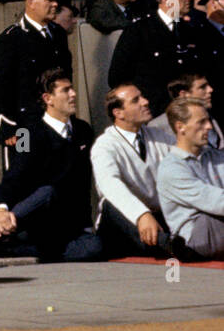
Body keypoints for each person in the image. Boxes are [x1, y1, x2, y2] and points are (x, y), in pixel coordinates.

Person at [0, 69, 104, 267]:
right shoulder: (26, 132)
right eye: (66, 90)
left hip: (68, 222)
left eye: (72, 89)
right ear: (48, 98)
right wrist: (1, 209)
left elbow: (83, 182)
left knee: (95, 248)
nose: (73, 94)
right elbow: (13, 175)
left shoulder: (83, 130)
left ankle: (19, 250)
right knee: (47, 191)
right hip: (36, 215)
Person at [109, 0, 215, 117]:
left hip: (187, 112)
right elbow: (117, 77)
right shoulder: (139, 30)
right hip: (155, 113)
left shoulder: (191, 29)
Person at [91, 84, 177, 259]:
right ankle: (169, 246)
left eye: (142, 97)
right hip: (124, 223)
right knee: (110, 204)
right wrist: (141, 214)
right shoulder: (105, 145)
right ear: (118, 113)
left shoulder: (162, 138)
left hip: (157, 218)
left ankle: (171, 243)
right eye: (136, 100)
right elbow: (110, 185)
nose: (145, 102)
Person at [0, 0, 71, 168]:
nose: (55, 4)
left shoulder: (58, 34)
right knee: (22, 174)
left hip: (55, 121)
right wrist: (9, 126)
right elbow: (0, 88)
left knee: (56, 174)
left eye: (56, 0)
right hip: (22, 125)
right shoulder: (11, 38)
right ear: (31, 2)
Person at [157, 97, 224, 260]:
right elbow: (215, 202)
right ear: (181, 127)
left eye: (208, 120)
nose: (209, 126)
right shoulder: (172, 169)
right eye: (201, 122)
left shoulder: (216, 156)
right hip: (198, 236)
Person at [149, 73, 223, 150]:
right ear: (183, 94)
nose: (210, 89)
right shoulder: (158, 126)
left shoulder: (210, 115)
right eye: (202, 87)